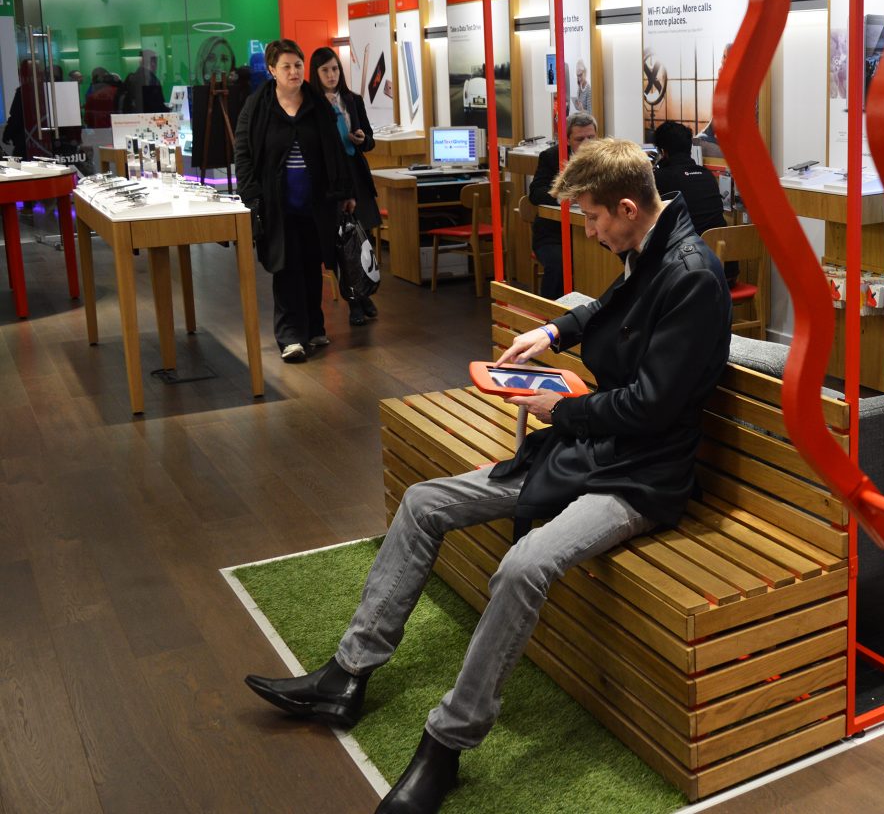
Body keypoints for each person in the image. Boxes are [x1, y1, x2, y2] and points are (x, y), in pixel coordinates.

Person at [244, 137, 732, 814]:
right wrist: (555, 335)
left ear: (626, 207)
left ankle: (445, 746)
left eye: (591, 218)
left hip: (640, 477)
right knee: (422, 501)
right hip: (593, 449)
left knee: (524, 565)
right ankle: (346, 675)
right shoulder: (652, 245)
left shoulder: (692, 276)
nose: (587, 231)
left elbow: (652, 407)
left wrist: (564, 409)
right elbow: (613, 304)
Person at [232, 39, 355, 363]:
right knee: (286, 269)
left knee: (313, 267)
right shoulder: (257, 107)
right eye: (286, 66)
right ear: (272, 70)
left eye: (298, 65)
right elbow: (243, 154)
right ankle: (290, 337)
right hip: (277, 205)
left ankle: (314, 327)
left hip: (317, 204)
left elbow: (335, 149)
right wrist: (251, 196)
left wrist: (345, 192)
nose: (293, 71)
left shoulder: (317, 104)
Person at [311, 46, 380, 326]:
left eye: (335, 69)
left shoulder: (353, 99)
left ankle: (364, 293)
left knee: (362, 239)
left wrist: (362, 139)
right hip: (330, 181)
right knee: (340, 243)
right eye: (325, 70)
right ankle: (354, 300)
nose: (331, 75)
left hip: (356, 176)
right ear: (316, 73)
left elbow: (371, 140)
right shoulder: (312, 104)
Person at [651, 119, 737, 284]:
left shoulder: (661, 178)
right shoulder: (707, 176)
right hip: (727, 272)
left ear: (663, 152)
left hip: (693, 277)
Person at [528, 111, 596, 299]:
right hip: (553, 234)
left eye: (591, 137)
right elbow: (535, 193)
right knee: (559, 263)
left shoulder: (603, 157)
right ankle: (551, 313)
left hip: (593, 231)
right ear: (566, 140)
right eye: (580, 139)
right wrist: (565, 197)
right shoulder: (551, 157)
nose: (587, 144)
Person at [121, 49, 167, 113]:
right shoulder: (151, 80)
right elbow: (157, 106)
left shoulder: (131, 78)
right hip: (147, 119)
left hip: (132, 119)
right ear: (153, 63)